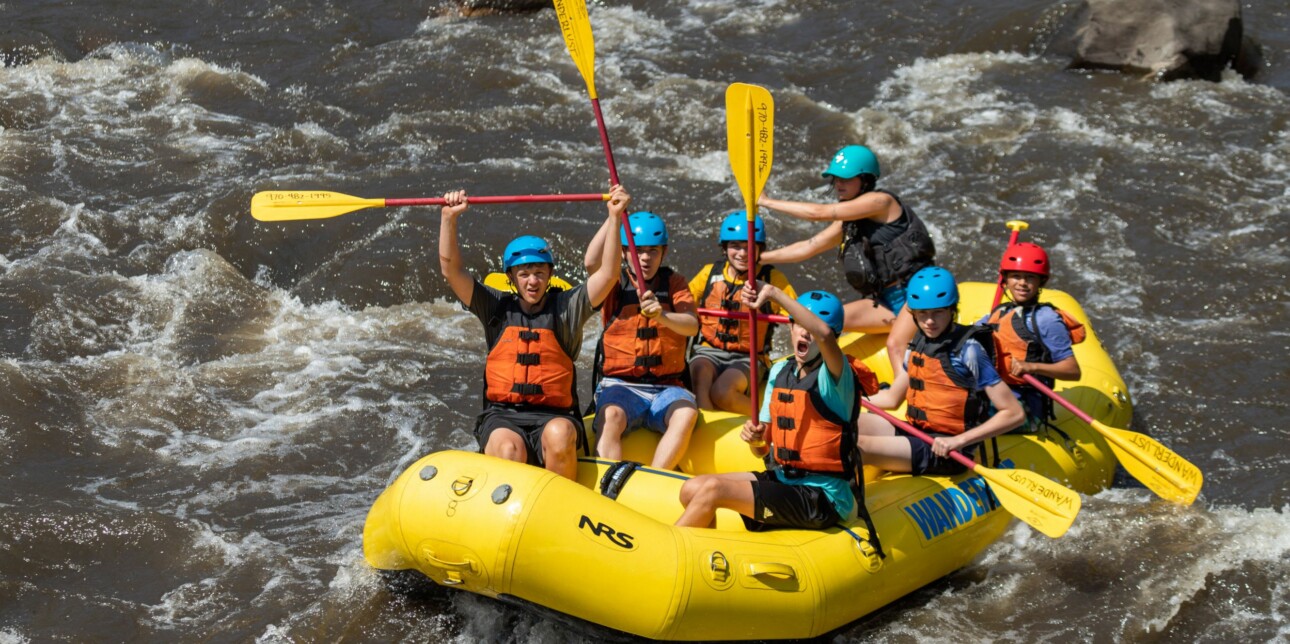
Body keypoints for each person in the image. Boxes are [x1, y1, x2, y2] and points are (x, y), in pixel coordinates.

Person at [438, 185, 630, 480]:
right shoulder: (495, 308)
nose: (532, 281)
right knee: (508, 450)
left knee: (559, 434)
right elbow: (452, 271)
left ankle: (560, 510)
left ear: (550, 274)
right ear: (511, 278)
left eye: (539, 272)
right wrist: (449, 219)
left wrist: (615, 217)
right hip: (503, 416)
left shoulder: (567, 308)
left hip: (555, 416)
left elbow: (608, 274)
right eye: (524, 273)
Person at [675, 288, 866, 530]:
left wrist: (774, 294)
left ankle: (665, 558)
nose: (805, 333)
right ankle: (704, 553)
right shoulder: (779, 372)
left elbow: (824, 334)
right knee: (691, 488)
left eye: (811, 329)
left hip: (824, 497)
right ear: (791, 326)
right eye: (798, 325)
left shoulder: (836, 376)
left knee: (713, 490)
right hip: (785, 479)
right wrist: (755, 440)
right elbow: (762, 451)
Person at [757, 145, 934, 374]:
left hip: (915, 295)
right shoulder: (848, 222)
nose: (839, 184)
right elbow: (809, 247)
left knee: (895, 344)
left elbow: (817, 213)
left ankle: (906, 398)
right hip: (884, 303)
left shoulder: (882, 202)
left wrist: (767, 201)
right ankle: (819, 382)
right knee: (823, 323)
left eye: (846, 179)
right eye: (836, 178)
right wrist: (759, 259)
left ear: (865, 179)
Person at [856, 266, 1025, 475]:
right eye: (922, 313)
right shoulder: (918, 344)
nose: (929, 321)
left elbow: (1014, 413)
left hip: (950, 452)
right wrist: (846, 399)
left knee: (858, 447)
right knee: (838, 425)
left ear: (952, 310)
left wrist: (958, 441)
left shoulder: (969, 351)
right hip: (918, 433)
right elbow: (892, 398)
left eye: (938, 312)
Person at [584, 211, 700, 470]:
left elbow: (692, 326)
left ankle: (657, 477)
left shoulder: (674, 283)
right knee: (611, 414)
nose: (645, 258)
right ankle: (606, 482)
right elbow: (591, 261)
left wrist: (662, 314)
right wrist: (613, 214)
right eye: (638, 251)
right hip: (621, 385)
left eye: (652, 251)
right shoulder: (613, 282)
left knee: (687, 413)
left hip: (668, 387)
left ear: (664, 252)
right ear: (625, 252)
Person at [688, 211, 797, 415]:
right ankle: (707, 430)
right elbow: (682, 305)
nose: (742, 254)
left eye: (749, 247)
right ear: (725, 248)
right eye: (735, 246)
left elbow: (794, 312)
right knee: (699, 377)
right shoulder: (709, 273)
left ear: (759, 249)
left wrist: (770, 294)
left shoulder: (771, 278)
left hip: (750, 357)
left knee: (722, 392)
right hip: (708, 350)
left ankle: (768, 421)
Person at [980, 242, 1084, 429]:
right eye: (1016, 276)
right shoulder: (1000, 312)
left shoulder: (1046, 319)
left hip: (1025, 406)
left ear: (1041, 281)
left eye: (1029, 277)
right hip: (997, 392)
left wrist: (1031, 366)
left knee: (970, 412)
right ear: (1005, 279)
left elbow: (1073, 371)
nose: (1022, 283)